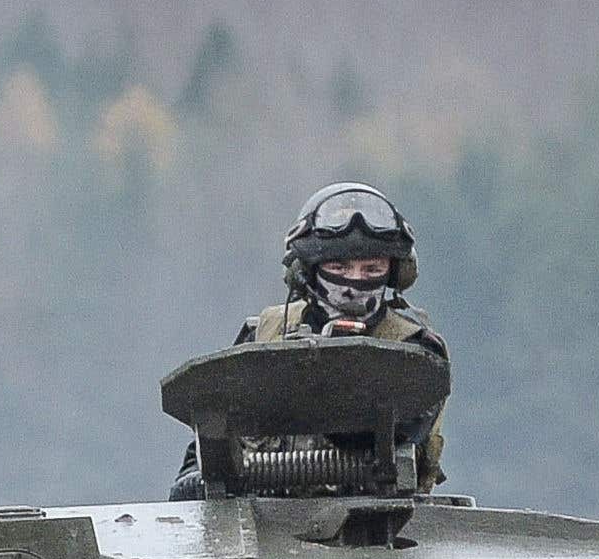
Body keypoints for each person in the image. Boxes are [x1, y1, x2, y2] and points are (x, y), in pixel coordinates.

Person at [171, 182, 448, 498]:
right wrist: (198, 479)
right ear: (306, 270)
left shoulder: (414, 348)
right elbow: (212, 435)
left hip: (380, 525)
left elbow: (401, 431)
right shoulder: (265, 336)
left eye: (372, 268)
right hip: (263, 524)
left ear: (395, 271)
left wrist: (329, 370)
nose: (354, 281)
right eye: (338, 266)